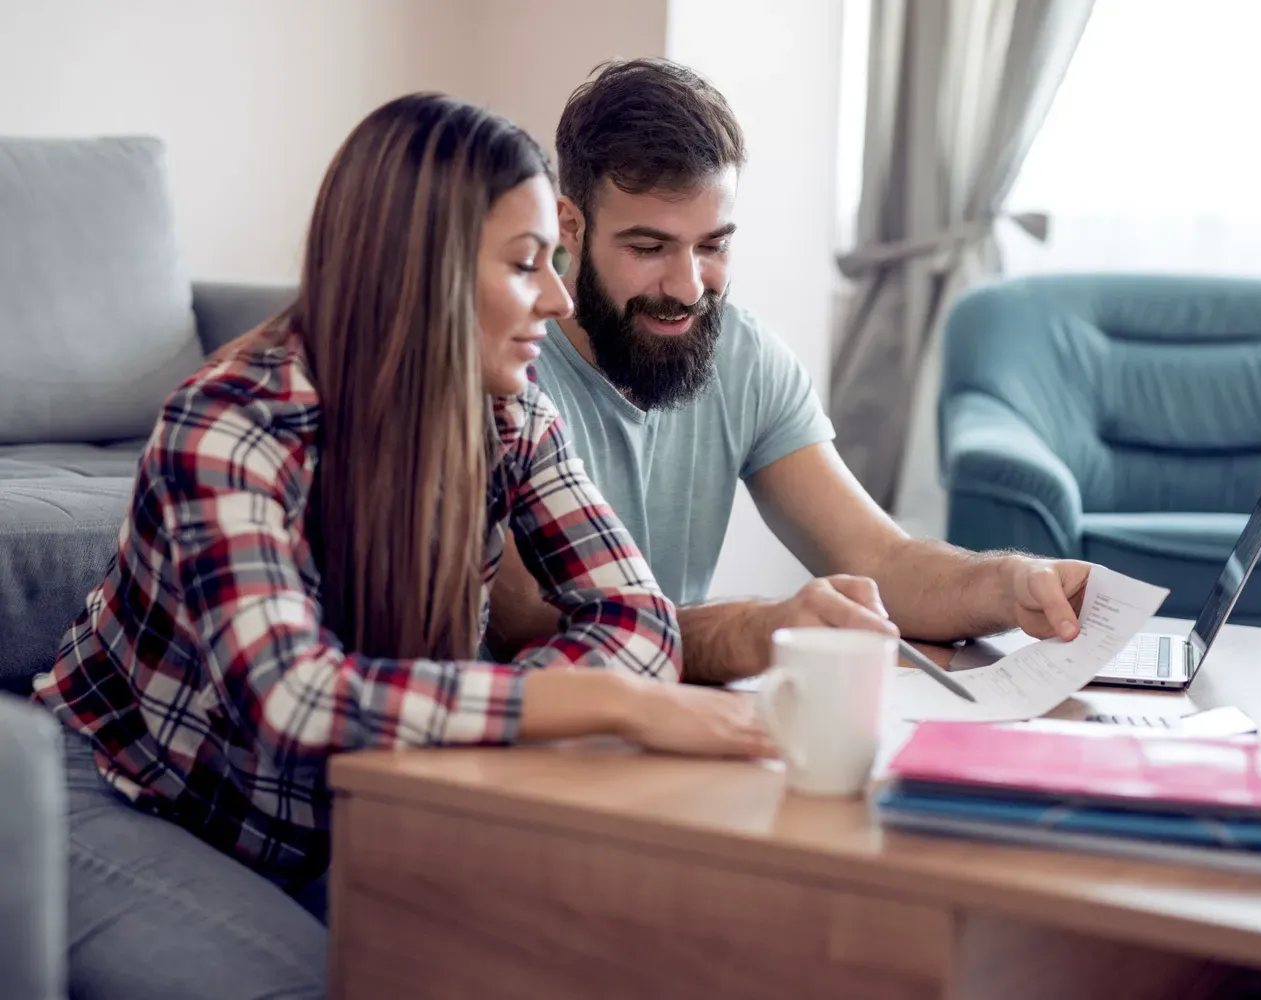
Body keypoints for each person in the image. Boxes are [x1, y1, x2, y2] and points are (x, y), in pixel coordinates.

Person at [31, 93, 774, 1000]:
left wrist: (602, 694)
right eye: (525, 264)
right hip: (126, 797)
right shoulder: (231, 424)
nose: (559, 297)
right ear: (421, 271)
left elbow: (639, 622)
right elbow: (292, 699)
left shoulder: (511, 413)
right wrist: (599, 702)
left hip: (340, 817)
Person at [489, 59, 1093, 681]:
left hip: (670, 717)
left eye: (713, 245)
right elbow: (535, 624)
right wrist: (757, 629)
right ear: (571, 226)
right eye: (649, 249)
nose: (689, 287)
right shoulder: (509, 374)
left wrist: (1011, 585)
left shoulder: (742, 357)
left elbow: (881, 558)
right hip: (537, 731)